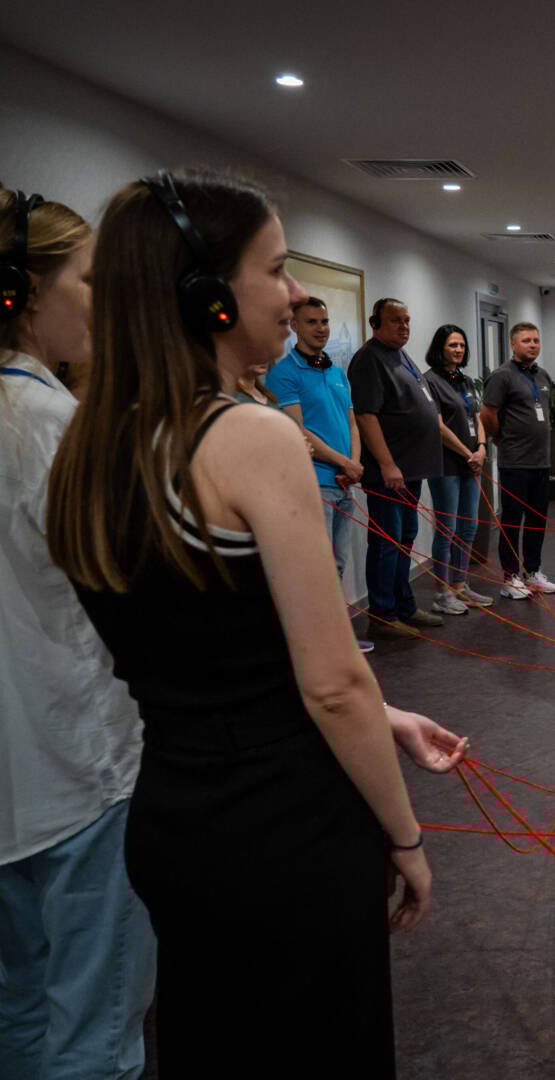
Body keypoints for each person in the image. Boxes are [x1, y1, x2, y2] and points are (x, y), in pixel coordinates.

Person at [44, 168, 467, 1076]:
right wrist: (405, 835)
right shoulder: (249, 438)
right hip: (285, 828)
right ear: (208, 298)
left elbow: (205, 653)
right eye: (276, 269)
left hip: (175, 817)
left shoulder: (87, 447)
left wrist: (385, 720)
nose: (299, 294)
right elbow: (332, 681)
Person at [0, 186, 157, 1080]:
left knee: (21, 1002)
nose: (106, 302)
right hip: (78, 770)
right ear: (25, 292)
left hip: (20, 779)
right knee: (96, 1024)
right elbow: (129, 593)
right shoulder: (51, 426)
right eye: (90, 280)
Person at [264, 295, 372, 650]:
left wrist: (354, 463)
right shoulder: (284, 373)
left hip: (345, 481)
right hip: (316, 483)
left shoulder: (336, 371)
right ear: (294, 326)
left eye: (324, 321)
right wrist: (344, 463)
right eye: (311, 322)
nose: (321, 328)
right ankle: (320, 645)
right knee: (319, 568)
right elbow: (299, 430)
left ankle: (335, 639)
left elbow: (351, 423)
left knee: (338, 565)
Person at [350, 296, 445, 634]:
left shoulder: (401, 355)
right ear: (376, 323)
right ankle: (382, 616)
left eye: (407, 320)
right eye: (396, 321)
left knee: (405, 537)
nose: (404, 327)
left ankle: (404, 607)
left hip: (411, 469)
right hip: (389, 473)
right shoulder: (368, 359)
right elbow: (366, 415)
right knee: (386, 542)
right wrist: (387, 464)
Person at [480, 322, 555, 598]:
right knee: (512, 522)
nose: (533, 345)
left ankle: (533, 573)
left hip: (541, 462)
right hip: (515, 462)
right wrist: (501, 439)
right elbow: (488, 414)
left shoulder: (542, 375)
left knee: (537, 521)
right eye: (526, 340)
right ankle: (510, 578)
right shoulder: (502, 376)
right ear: (513, 344)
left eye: (536, 340)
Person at [422, 323, 489, 614]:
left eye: (461, 345)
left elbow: (478, 416)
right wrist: (466, 453)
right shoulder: (429, 381)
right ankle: (441, 592)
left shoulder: (466, 381)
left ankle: (460, 586)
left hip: (472, 463)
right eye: (452, 345)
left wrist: (482, 448)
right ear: (440, 348)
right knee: (447, 529)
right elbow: (436, 426)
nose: (458, 350)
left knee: (469, 526)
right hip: (446, 463)